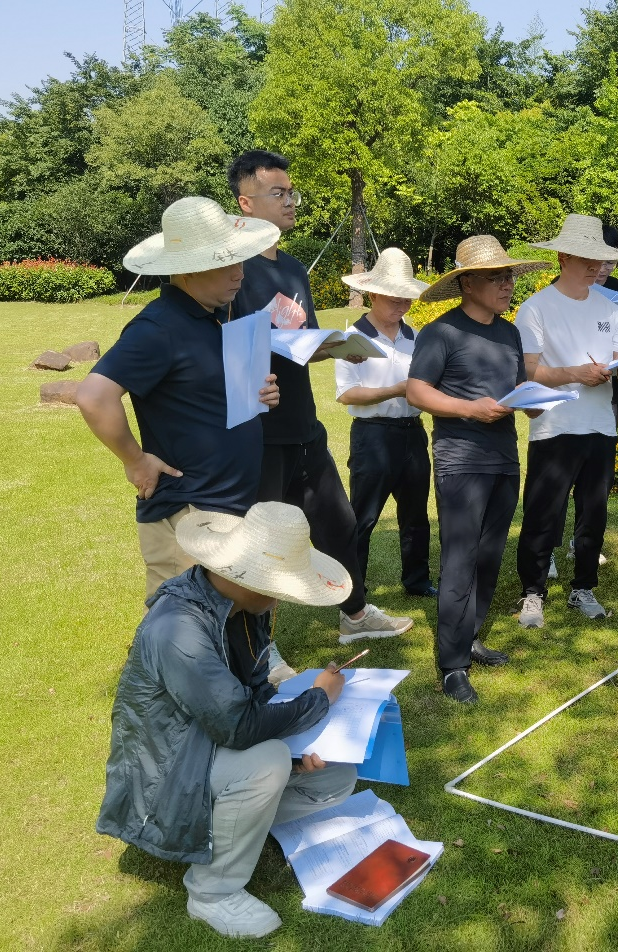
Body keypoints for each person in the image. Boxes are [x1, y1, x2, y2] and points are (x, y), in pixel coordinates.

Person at [96, 501, 358, 939]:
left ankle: (238, 825)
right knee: (269, 762)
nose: (280, 598)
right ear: (246, 576)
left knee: (336, 777)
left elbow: (248, 697)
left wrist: (300, 752)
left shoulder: (238, 608)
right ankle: (212, 893)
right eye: (278, 586)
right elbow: (235, 726)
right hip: (166, 777)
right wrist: (318, 701)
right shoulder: (179, 628)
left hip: (208, 749)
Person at [229, 150, 413, 653]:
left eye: (292, 192)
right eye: (278, 193)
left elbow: (303, 340)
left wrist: (328, 345)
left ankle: (354, 613)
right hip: (257, 430)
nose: (291, 201)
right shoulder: (229, 271)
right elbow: (223, 348)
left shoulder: (292, 268)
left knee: (339, 521)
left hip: (304, 424)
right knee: (264, 542)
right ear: (246, 203)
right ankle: (258, 651)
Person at [77, 196, 280, 599]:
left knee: (225, 629)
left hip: (226, 504)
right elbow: (93, 395)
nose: (241, 273)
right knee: (184, 634)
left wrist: (260, 395)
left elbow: (200, 392)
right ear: (187, 270)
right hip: (188, 515)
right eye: (228, 263)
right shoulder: (159, 327)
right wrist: (136, 461)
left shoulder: (211, 315)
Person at [407, 235, 549, 704]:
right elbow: (417, 392)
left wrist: (533, 403)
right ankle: (451, 665)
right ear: (467, 283)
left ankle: (469, 636)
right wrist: (469, 410)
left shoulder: (509, 332)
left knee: (489, 559)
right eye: (497, 277)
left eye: (509, 275)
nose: (508, 284)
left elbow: (518, 385)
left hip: (505, 461)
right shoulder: (440, 333)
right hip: (460, 462)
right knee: (460, 562)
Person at [515, 214, 618, 627]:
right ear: (563, 257)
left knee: (594, 512)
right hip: (554, 424)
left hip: (601, 423)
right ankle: (532, 593)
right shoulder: (535, 309)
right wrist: (574, 373)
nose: (596, 266)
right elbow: (530, 371)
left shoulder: (608, 307)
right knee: (541, 512)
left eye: (600, 258)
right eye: (588, 258)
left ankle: (583, 587)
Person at [335, 249, 437, 602]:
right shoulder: (351, 338)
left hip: (412, 433)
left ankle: (417, 580)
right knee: (362, 518)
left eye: (407, 297)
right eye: (394, 297)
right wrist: (395, 390)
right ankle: (352, 591)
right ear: (373, 293)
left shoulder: (417, 336)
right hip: (372, 436)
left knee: (416, 515)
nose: (402, 304)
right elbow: (347, 394)